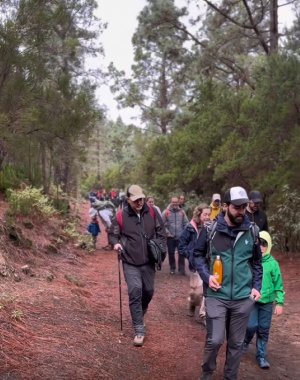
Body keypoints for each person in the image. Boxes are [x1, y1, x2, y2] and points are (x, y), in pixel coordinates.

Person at [193, 186, 263, 380]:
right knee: (214, 340)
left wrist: (257, 286)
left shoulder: (252, 231)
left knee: (236, 344)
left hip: (242, 297)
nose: (241, 211)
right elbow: (197, 255)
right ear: (225, 206)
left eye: (244, 207)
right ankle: (206, 373)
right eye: (237, 207)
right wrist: (207, 277)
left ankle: (230, 377)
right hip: (217, 296)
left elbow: (257, 262)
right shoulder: (210, 230)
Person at [109, 184, 166, 347]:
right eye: (136, 200)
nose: (139, 202)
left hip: (148, 261)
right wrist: (116, 244)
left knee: (148, 291)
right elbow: (113, 233)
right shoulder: (121, 215)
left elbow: (161, 232)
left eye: (141, 199)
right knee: (135, 290)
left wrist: (161, 252)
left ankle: (140, 313)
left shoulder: (153, 212)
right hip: (130, 261)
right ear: (128, 200)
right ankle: (139, 330)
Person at [243, 230, 284, 369]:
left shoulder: (273, 264)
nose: (261, 246)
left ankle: (261, 355)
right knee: (251, 326)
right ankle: (244, 342)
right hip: (253, 300)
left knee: (263, 329)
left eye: (264, 244)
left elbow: (278, 284)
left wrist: (279, 302)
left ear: (269, 245)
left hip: (267, 302)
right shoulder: (251, 260)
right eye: (258, 243)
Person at [178, 204, 211, 325]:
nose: (207, 217)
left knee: (205, 290)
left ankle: (203, 315)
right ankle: (192, 303)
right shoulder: (190, 227)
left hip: (207, 263)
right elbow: (181, 244)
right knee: (196, 292)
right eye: (205, 214)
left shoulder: (212, 227)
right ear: (199, 214)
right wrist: (190, 255)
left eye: (209, 214)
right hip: (194, 263)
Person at [162, 196, 189, 275]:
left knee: (181, 253)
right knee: (171, 253)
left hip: (180, 236)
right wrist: (167, 233)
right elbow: (162, 224)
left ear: (178, 202)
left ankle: (181, 269)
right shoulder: (166, 212)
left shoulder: (182, 212)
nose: (175, 203)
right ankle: (172, 268)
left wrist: (184, 233)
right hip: (170, 237)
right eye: (173, 202)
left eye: (176, 202)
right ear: (171, 202)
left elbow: (186, 223)